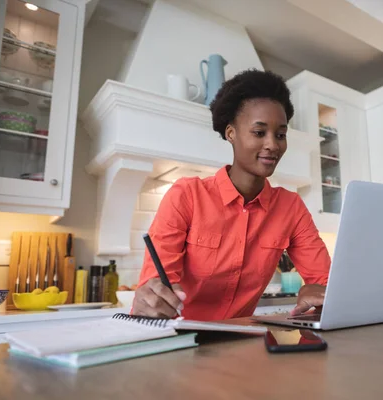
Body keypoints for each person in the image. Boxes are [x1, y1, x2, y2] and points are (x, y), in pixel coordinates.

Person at [133, 69, 331, 320]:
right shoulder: (186, 195)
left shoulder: (290, 207)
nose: (273, 144)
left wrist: (318, 290)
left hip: (240, 341)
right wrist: (150, 300)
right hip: (181, 340)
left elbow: (326, 282)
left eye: (280, 135)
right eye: (259, 133)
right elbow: (156, 289)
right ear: (231, 133)